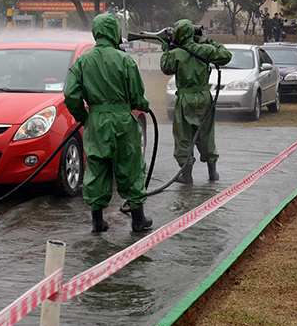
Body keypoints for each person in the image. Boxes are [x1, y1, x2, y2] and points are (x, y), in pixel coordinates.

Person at [64, 13, 152, 233]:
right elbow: (136, 97)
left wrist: (86, 117)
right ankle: (138, 220)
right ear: (115, 32)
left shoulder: (82, 61)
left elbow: (70, 95)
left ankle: (97, 222)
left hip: (96, 122)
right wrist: (144, 103)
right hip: (123, 121)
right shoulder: (125, 60)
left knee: (96, 167)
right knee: (131, 166)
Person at [160, 20, 232, 184]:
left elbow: (165, 68)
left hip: (185, 99)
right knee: (206, 133)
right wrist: (209, 42)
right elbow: (226, 56)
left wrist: (166, 49)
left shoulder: (176, 53)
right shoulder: (205, 50)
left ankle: (187, 175)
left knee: (183, 136)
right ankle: (212, 173)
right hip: (204, 97)